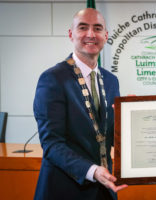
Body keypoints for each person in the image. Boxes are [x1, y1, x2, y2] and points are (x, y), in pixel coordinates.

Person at [33, 8, 127, 200]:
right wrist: (92, 171)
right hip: (65, 190)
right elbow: (52, 144)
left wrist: (129, 117)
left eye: (98, 28)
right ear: (71, 34)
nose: (91, 34)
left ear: (106, 35)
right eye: (83, 27)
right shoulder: (53, 79)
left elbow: (110, 136)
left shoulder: (111, 80)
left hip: (105, 190)